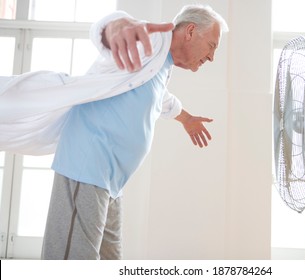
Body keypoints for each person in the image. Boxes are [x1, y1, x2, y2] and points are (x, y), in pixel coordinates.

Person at [40, 4, 229, 259]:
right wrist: (115, 25)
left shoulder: (162, 64)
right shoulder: (149, 43)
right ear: (191, 31)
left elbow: (161, 98)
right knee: (72, 261)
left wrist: (186, 119)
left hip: (112, 181)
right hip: (87, 166)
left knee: (110, 260)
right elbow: (113, 30)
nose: (212, 57)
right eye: (212, 46)